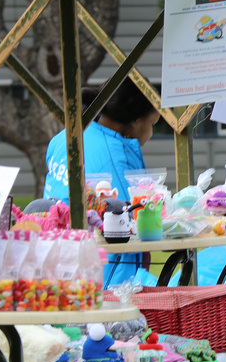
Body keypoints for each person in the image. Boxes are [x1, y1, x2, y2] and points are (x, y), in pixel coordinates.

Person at [42, 78, 161, 285]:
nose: (151, 133)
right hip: (106, 276)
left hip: (54, 262)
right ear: (135, 121)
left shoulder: (64, 137)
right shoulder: (117, 155)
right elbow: (136, 215)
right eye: (152, 124)